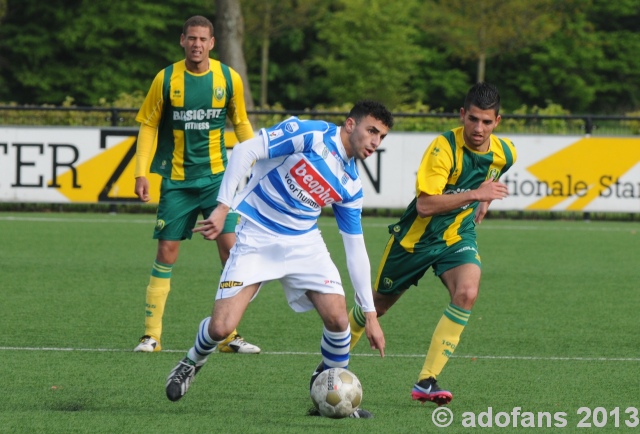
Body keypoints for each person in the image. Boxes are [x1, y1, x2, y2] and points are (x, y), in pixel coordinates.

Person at [164, 100, 393, 418]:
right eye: (372, 131)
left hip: (304, 244)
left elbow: (356, 249)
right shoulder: (310, 134)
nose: (375, 142)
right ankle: (191, 362)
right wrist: (222, 206)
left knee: (339, 320)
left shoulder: (351, 184)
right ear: (351, 125)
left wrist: (369, 315)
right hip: (256, 235)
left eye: (381, 137)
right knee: (221, 327)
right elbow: (246, 150)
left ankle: (331, 391)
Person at [347, 82, 516, 406]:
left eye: (486, 121)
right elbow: (425, 205)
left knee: (467, 292)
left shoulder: (505, 151)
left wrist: (484, 201)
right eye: (473, 120)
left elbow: (493, 175)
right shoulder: (443, 149)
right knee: (376, 307)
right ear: (462, 115)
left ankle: (426, 381)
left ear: (497, 121)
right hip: (415, 241)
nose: (478, 128)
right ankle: (330, 364)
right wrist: (476, 195)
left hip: (456, 237)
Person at [132, 15, 260, 354]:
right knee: (166, 251)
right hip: (177, 181)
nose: (197, 45)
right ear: (182, 40)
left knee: (232, 251)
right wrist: (140, 172)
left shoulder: (228, 79)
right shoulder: (166, 79)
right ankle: (151, 335)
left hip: (218, 180)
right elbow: (147, 125)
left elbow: (242, 124)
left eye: (203, 39)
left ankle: (229, 336)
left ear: (213, 43)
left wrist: (259, 163)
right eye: (191, 38)